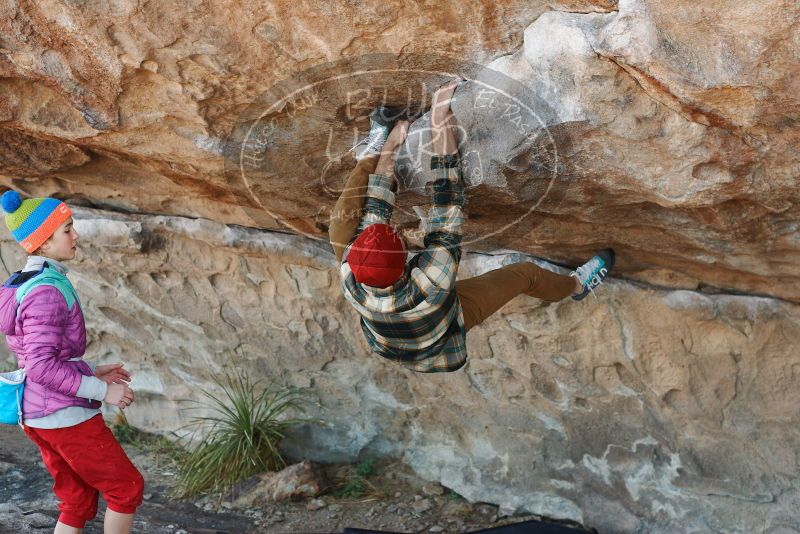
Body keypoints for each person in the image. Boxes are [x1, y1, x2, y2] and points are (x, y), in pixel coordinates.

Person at [329, 79, 615, 373]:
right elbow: (447, 199)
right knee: (524, 275)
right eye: (396, 237)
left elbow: (377, 205)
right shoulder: (433, 279)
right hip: (439, 332)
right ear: (403, 259)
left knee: (338, 228)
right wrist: (440, 121)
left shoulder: (351, 269)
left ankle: (371, 152)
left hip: (388, 332)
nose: (395, 230)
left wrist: (391, 145)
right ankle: (577, 285)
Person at [0, 191, 144, 534]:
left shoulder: (25, 282)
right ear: (43, 242)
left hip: (37, 413)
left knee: (77, 500)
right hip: (62, 415)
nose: (76, 235)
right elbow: (41, 367)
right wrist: (102, 390)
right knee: (126, 488)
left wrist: (90, 370)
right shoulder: (46, 291)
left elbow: (46, 356)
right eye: (67, 229)